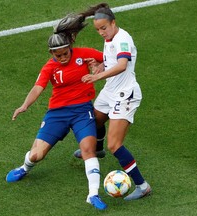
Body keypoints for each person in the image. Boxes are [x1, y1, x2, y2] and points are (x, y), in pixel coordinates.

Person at [6, 14, 107, 210]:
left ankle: (93, 194)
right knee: (37, 155)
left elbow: (110, 59)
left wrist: (100, 66)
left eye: (65, 54)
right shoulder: (50, 67)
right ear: (51, 53)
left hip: (82, 110)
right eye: (57, 55)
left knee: (88, 149)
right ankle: (24, 168)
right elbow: (38, 88)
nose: (62, 58)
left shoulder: (84, 53)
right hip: (57, 113)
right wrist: (25, 105)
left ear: (69, 48)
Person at [73, 3, 152, 200]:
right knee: (95, 120)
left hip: (125, 94)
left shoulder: (122, 38)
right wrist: (100, 65)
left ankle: (142, 186)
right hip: (111, 90)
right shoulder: (110, 38)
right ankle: (97, 150)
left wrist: (96, 77)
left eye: (104, 28)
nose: (101, 32)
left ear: (113, 23)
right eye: (98, 29)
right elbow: (113, 61)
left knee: (115, 145)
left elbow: (123, 65)